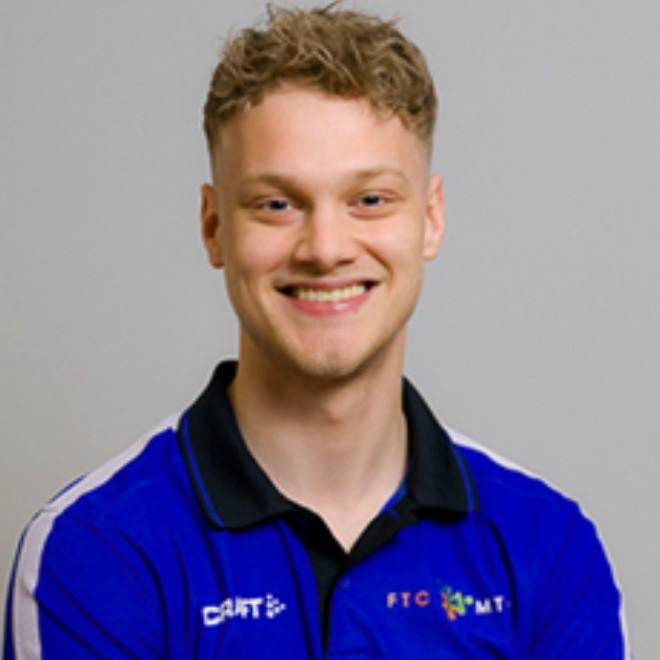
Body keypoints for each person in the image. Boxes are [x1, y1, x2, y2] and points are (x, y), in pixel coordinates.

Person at [4, 4, 629, 658]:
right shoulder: (98, 548)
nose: (326, 248)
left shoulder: (547, 546)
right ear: (214, 227)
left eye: (370, 200)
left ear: (431, 219)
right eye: (277, 204)